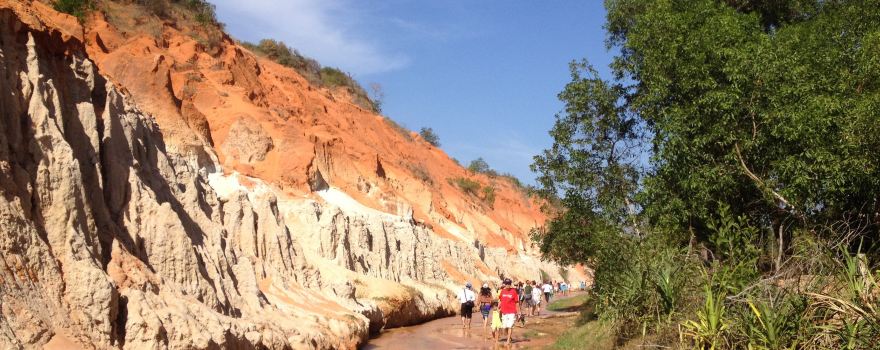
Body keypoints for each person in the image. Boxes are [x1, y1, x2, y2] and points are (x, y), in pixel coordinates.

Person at [498, 278, 520, 344]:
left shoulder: (513, 291)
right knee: (504, 327)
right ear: (505, 284)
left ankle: (508, 340)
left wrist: (518, 312)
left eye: (509, 284)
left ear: (510, 284)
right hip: (504, 311)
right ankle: (509, 337)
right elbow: (500, 300)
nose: (507, 285)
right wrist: (498, 308)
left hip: (511, 311)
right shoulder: (502, 291)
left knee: (510, 325)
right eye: (506, 284)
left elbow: (517, 302)